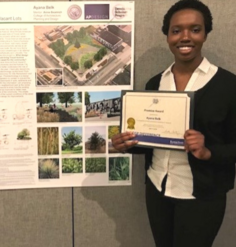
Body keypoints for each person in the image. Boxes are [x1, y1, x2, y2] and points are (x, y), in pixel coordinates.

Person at [111, 1, 236, 247]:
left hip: (201, 196)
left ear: (205, 33)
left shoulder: (229, 86)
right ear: (168, 36)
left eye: (195, 29)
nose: (185, 37)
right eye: (176, 30)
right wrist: (127, 144)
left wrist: (208, 151)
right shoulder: (155, 83)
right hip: (158, 188)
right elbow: (151, 140)